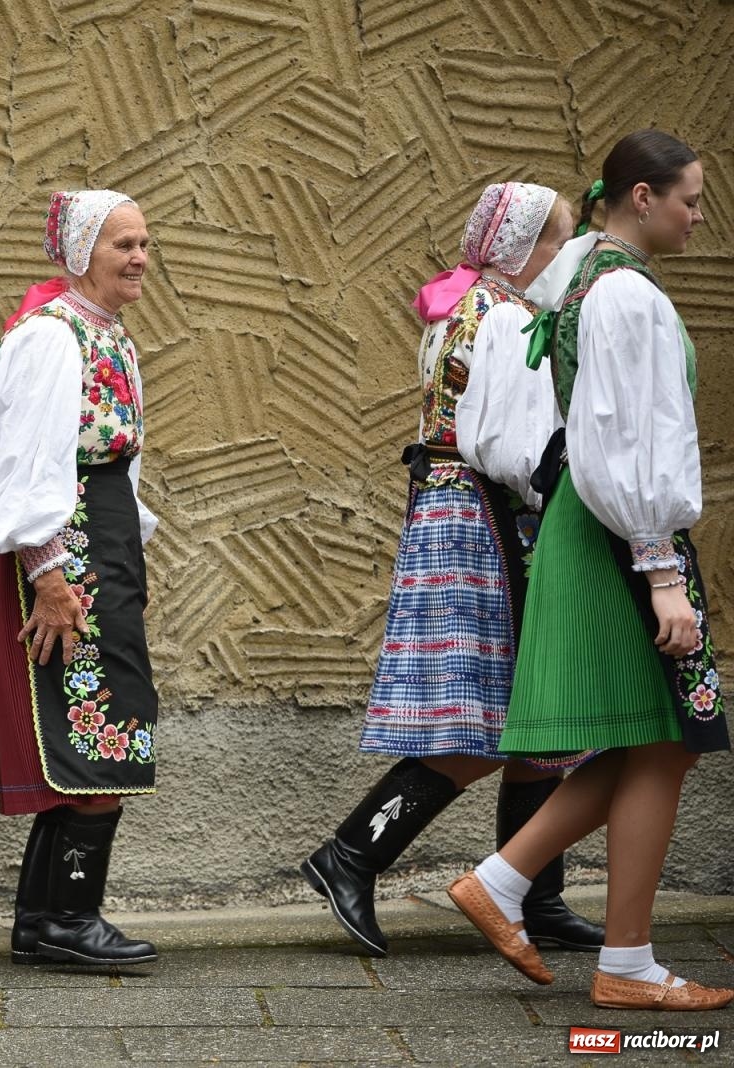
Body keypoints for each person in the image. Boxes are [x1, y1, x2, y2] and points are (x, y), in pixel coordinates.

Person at [448, 130, 730, 1010]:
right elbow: (623, 438)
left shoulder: (585, 277)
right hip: (620, 532)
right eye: (687, 198)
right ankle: (625, 963)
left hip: (603, 526)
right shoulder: (622, 298)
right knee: (671, 737)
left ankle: (507, 884)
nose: (698, 215)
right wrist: (661, 569)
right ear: (639, 197)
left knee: (656, 739)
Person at [300, 184, 604, 958]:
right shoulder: (502, 316)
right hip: (488, 517)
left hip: (458, 509)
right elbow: (513, 443)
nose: (565, 257)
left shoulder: (463, 306)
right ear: (525, 249)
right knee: (491, 716)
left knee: (531, 708)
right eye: (559, 242)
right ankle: (351, 855)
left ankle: (539, 899)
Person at [0, 189, 159, 967]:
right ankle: (71, 919)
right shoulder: (53, 338)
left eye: (146, 243)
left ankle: (43, 918)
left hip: (102, 539)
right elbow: (21, 458)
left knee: (101, 716)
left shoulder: (105, 332)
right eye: (123, 244)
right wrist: (48, 570)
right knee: (94, 726)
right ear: (82, 252)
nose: (140, 257)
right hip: (67, 546)